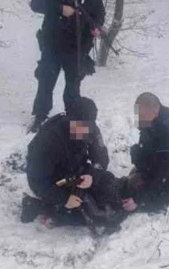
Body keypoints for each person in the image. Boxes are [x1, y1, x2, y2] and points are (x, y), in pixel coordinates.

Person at [29, 0, 105, 132]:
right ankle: (40, 116)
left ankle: (73, 116)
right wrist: (60, 9)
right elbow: (35, 4)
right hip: (52, 43)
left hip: (78, 46)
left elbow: (99, 12)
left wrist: (97, 26)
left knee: (73, 85)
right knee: (46, 81)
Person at [23, 97, 123, 228]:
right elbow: (37, 180)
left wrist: (93, 175)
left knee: (107, 184)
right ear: (69, 121)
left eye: (88, 126)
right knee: (92, 215)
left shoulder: (89, 127)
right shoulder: (48, 140)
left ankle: (67, 206)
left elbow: (101, 156)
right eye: (79, 126)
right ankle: (37, 206)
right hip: (53, 181)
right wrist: (64, 198)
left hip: (76, 172)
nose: (84, 131)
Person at [121, 92, 169, 212]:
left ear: (154, 110)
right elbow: (144, 142)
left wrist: (139, 199)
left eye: (142, 115)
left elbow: (164, 172)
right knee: (136, 152)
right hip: (160, 159)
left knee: (148, 203)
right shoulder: (151, 117)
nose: (139, 118)